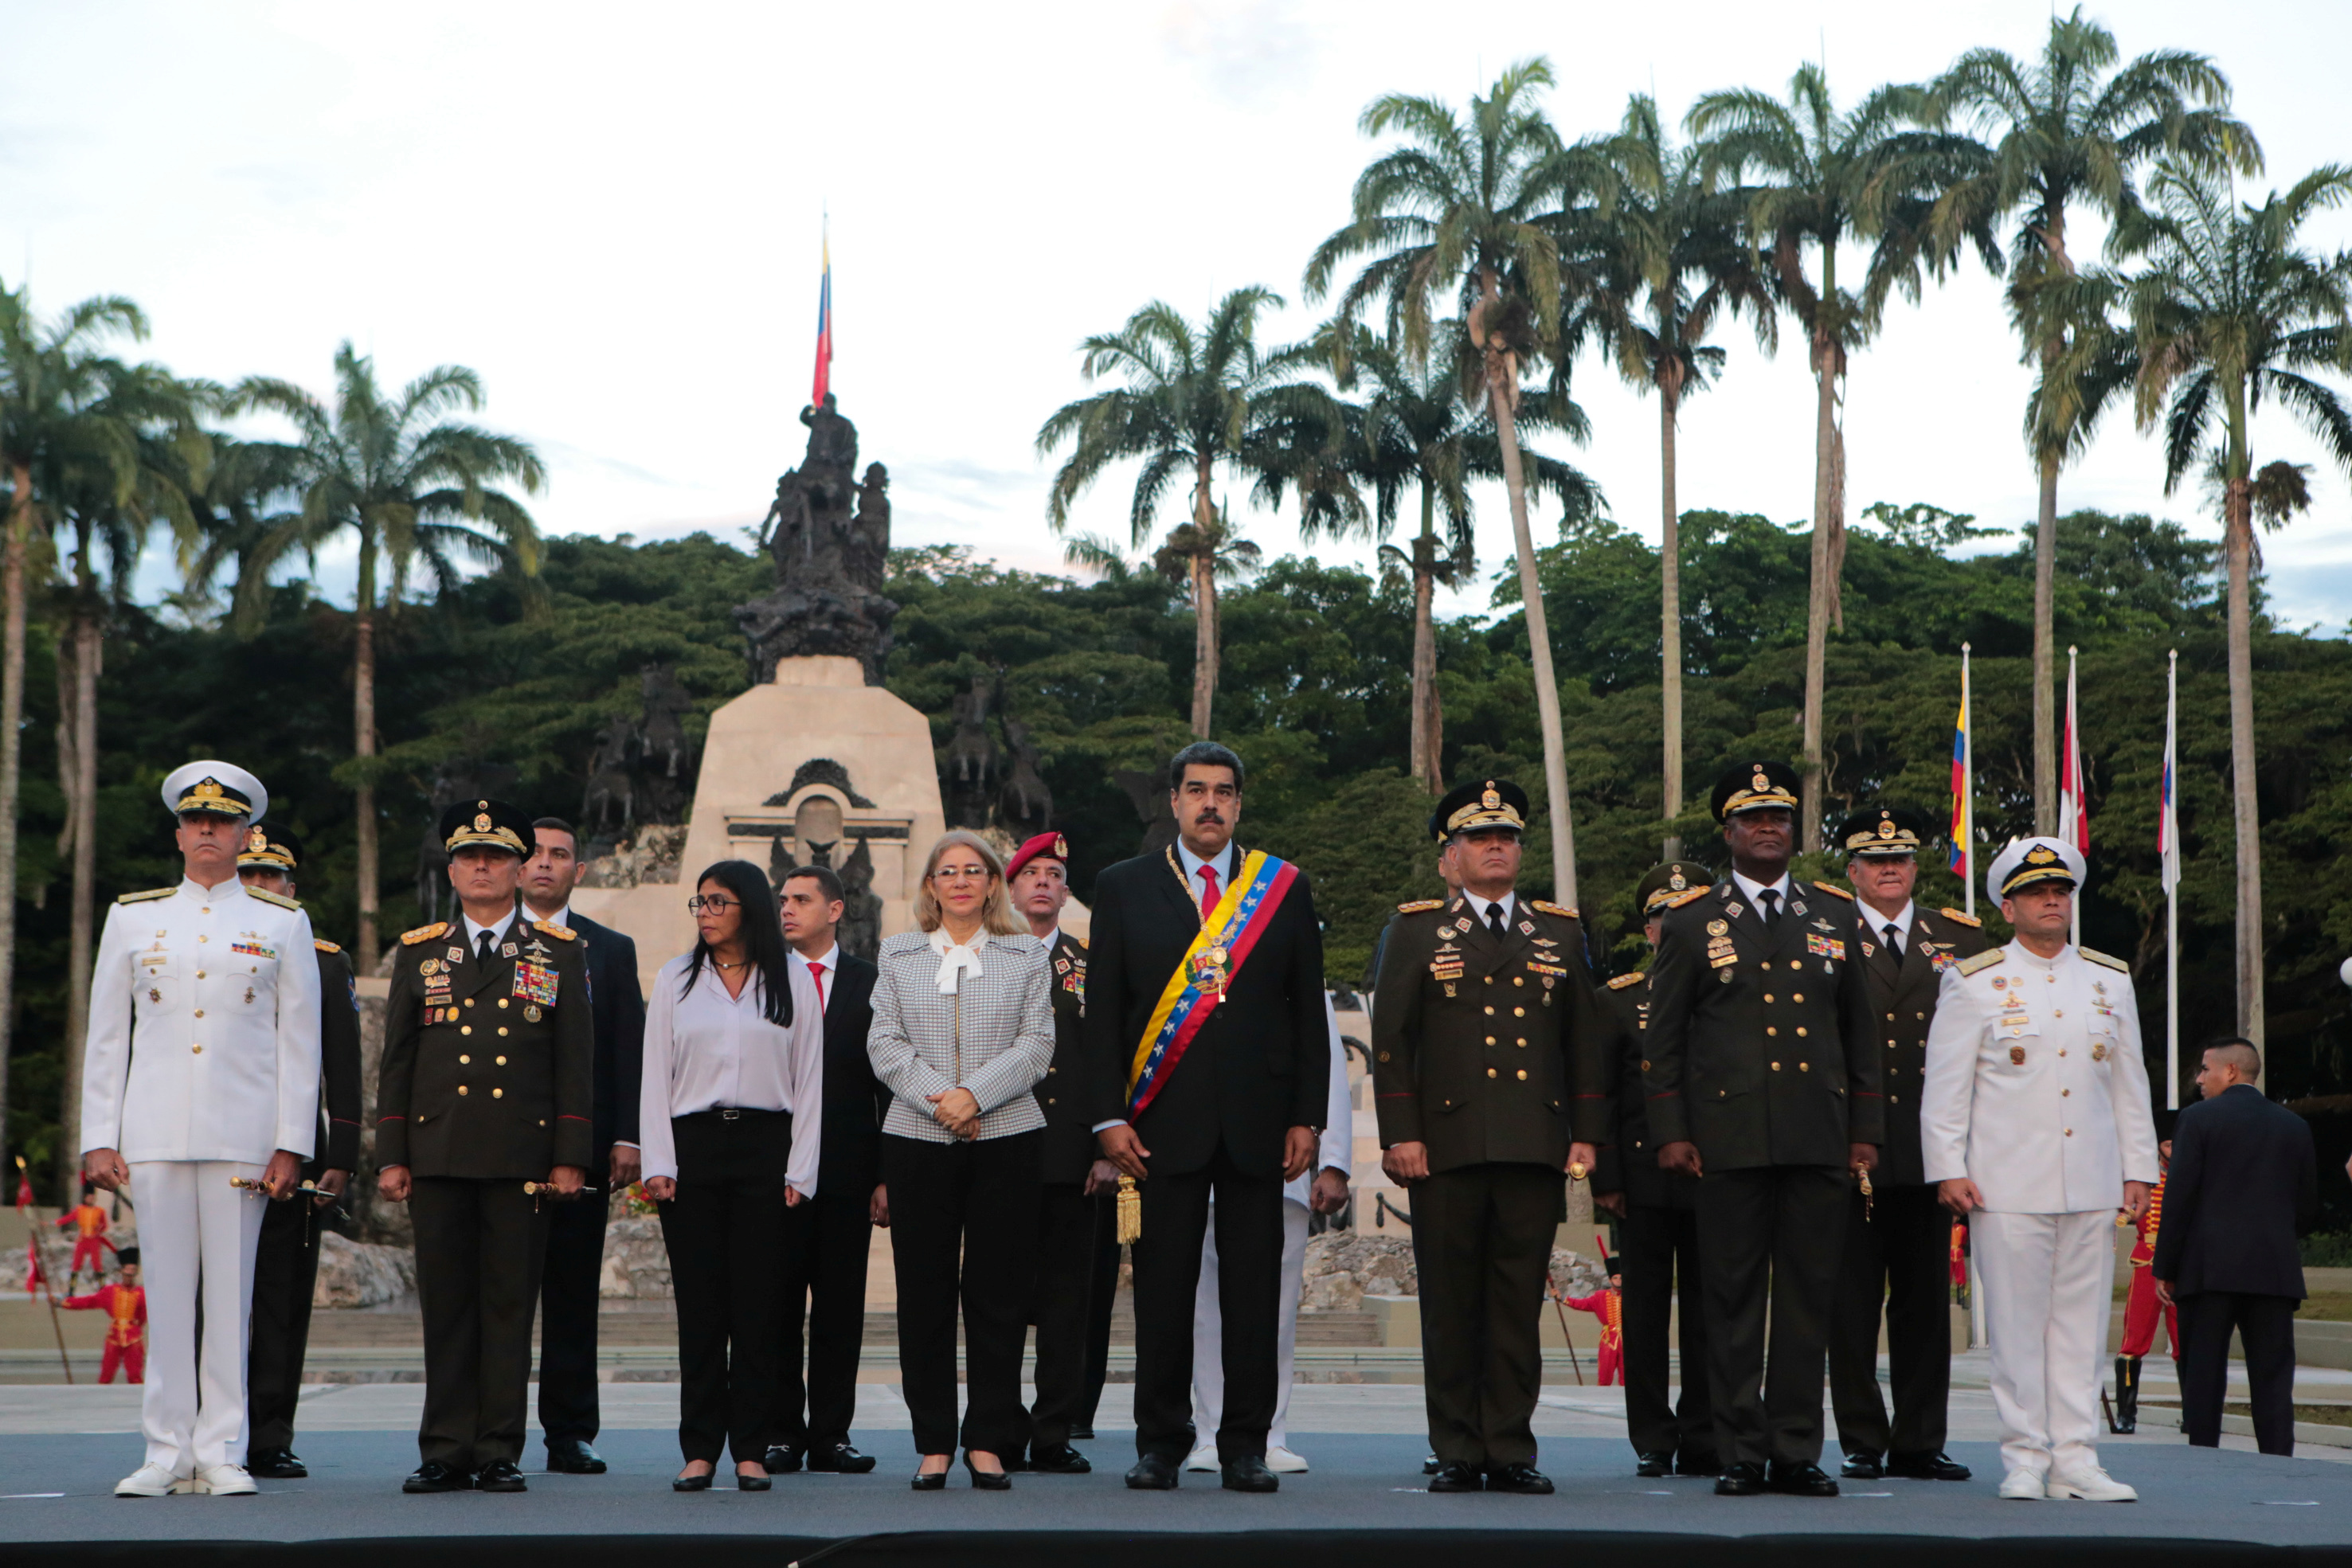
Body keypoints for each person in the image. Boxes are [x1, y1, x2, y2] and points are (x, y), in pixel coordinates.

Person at [1086, 742, 1329, 1494]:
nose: (1210, 804)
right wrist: (1106, 1118)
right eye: (1196, 791)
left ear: (1239, 804)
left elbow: (1305, 1013)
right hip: (1159, 1124)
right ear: (1173, 801)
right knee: (1161, 1288)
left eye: (1224, 792)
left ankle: (1245, 1445)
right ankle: (1160, 1441)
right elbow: (1104, 1019)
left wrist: (1307, 1118)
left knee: (1254, 1292)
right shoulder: (1123, 886)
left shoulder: (1281, 887)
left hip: (1259, 1123)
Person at [81, 761, 322, 1498]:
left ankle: (221, 1446)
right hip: (153, 1130)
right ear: (180, 833)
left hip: (242, 1134)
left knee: (230, 1298)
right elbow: (106, 1035)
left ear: (248, 834)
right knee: (167, 1291)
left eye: (223, 821)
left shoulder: (281, 921)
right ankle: (164, 1448)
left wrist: (291, 1141)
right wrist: (99, 1132)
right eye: (196, 821)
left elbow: (298, 1041)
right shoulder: (133, 916)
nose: (208, 831)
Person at [1642, 761, 1879, 1499]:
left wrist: (1865, 1131)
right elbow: (1665, 1040)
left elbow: (1860, 1032)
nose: (1768, 827)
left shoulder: (1835, 915)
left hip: (1817, 1133)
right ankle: (1741, 1448)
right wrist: (1671, 1130)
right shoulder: (1689, 921)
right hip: (1727, 1138)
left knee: (1809, 1296)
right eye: (1753, 819)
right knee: (1732, 1297)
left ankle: (1796, 1449)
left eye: (1779, 816)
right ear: (1729, 833)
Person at [1372, 776, 1602, 1495]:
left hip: (1533, 1143)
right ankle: (1457, 1447)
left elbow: (1583, 1042)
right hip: (1443, 1145)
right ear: (1450, 858)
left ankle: (1509, 1446)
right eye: (1478, 838)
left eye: (1505, 837)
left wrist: (1584, 1135)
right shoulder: (1414, 929)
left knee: (1514, 1304)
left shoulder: (1559, 930)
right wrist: (1400, 1133)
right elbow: (1391, 1040)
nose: (1495, 847)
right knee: (1449, 1303)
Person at [1923, 836, 2157, 1502]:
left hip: (2090, 1176)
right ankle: (2024, 1455)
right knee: (2018, 1328)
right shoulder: (1972, 981)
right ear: (2007, 906)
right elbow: (1945, 1087)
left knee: (2081, 1329)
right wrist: (1947, 1166)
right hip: (2005, 1180)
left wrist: (2137, 1166)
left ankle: (2077, 1457)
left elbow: (2127, 1080)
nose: (2051, 899)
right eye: (2034, 892)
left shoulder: (2108, 978)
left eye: (2060, 890)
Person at [376, 799, 593, 1495]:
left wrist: (569, 1154)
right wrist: (391, 1153)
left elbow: (573, 1063)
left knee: (508, 1306)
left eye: (496, 856)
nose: (482, 867)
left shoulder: (557, 951)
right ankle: (444, 1446)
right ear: (452, 868)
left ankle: (498, 1445)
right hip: (437, 1152)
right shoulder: (419, 951)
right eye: (470, 857)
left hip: (519, 1158)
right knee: (446, 1305)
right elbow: (398, 1061)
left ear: (519, 868)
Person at [869, 830, 1055, 1490]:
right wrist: (939, 1100)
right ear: (929, 885)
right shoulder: (897, 953)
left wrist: (975, 1094)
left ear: (992, 883)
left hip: (1007, 1134)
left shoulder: (1025, 954)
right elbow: (884, 1043)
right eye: (947, 871)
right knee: (923, 1293)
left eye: (974, 870)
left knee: (998, 1294)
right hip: (918, 1139)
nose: (961, 881)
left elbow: (1037, 1045)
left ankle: (987, 1438)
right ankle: (933, 1442)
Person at [640, 859, 822, 1492]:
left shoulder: (793, 977)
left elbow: (810, 1077)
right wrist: (658, 1162)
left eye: (718, 901)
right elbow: (655, 1076)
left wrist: (801, 1168)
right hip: (693, 1146)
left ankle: (749, 1445)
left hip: (767, 1145)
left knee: (759, 1305)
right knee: (700, 1303)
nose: (706, 913)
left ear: (748, 906)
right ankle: (699, 1447)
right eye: (700, 903)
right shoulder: (676, 978)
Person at [1825, 806, 1985, 1484]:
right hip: (1848, 1148)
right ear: (1853, 871)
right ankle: (1862, 1437)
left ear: (1915, 867)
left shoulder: (1957, 936)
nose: (1889, 868)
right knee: (1850, 1304)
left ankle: (1920, 1439)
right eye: (1874, 859)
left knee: (1923, 1306)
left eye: (1900, 858)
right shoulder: (1824, 932)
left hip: (1930, 1152)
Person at [234, 825, 364, 1481]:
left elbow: (342, 1064)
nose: (259, 887)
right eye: (248, 874)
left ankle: (270, 1434)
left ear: (293, 887)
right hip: (218, 1145)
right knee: (212, 1298)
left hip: (296, 1151)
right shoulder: (206, 946)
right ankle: (209, 1426)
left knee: (283, 1297)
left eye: (271, 877)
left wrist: (341, 1152)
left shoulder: (324, 957)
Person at [518, 817, 645, 1476]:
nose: (545, 864)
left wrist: (628, 1134)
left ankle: (569, 1430)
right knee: (498, 1296)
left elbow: (629, 1046)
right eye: (534, 852)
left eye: (559, 855)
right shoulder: (484, 941)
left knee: (571, 1295)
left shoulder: (609, 949)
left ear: (579, 871)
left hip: (582, 1148)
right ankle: (490, 1431)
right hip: (500, 1149)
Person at [1184, 997, 1352, 1474]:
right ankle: (1209, 1432)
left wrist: (1335, 1162)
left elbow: (1327, 1061)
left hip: (1279, 1162)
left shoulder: (1280, 935)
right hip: (1198, 1153)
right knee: (1204, 1313)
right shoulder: (1187, 943)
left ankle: (1270, 1431)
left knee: (1274, 1312)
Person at [1591, 859, 1716, 1480]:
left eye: (1684, 914)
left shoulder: (1728, 989)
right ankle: (1652, 1436)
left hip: (1717, 1174)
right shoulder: (1617, 1000)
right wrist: (1606, 1178)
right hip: (1639, 1180)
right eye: (1661, 917)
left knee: (1710, 1310)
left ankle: (1703, 1431)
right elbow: (1603, 1094)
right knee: (1641, 1312)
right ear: (1646, 930)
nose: (1672, 925)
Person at [768, 862, 884, 1476]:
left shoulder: (873, 980)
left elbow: (889, 1083)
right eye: (783, 899)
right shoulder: (762, 981)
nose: (786, 908)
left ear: (835, 909)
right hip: (776, 1170)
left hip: (847, 1169)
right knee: (779, 1303)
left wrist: (886, 1173)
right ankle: (782, 1432)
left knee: (840, 1305)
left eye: (802, 899)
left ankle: (831, 1434)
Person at [1005, 831, 1113, 1475]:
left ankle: (1053, 1430)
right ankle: (999, 1424)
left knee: (1068, 1302)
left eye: (1054, 874)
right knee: (1001, 1299)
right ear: (1010, 888)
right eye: (1031, 873)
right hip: (1000, 1148)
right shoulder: (983, 958)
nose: (1043, 882)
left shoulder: (1089, 964)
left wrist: (1105, 1143)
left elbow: (1106, 1061)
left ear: (1066, 892)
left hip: (1072, 1156)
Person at [2154, 1038, 2318, 1457]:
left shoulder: (2198, 1120)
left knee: (2203, 1373)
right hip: (2273, 1270)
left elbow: (2180, 1198)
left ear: (2230, 1072)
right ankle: (2279, 1459)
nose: (2199, 1079)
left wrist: (2166, 1267)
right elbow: (2306, 1205)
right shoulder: (2294, 1125)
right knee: (2273, 1377)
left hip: (2208, 1270)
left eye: (2205, 1069)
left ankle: (2204, 1456)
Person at [2111, 1112, 2178, 1435]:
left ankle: (2194, 1413)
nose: (2173, 1148)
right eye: (2168, 1142)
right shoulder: (2143, 1180)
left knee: (2186, 1342)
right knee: (2133, 1341)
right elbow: (2123, 1216)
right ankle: (2127, 1414)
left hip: (2183, 1263)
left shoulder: (2193, 1174)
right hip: (2148, 1262)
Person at [63, 1247, 147, 1385]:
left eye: (132, 1272)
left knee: (135, 1375)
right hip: (114, 1335)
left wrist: (136, 1326)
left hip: (134, 1336)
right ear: (121, 1272)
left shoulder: (142, 1293)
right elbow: (89, 1301)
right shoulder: (110, 1291)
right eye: (127, 1272)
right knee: (106, 1375)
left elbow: (144, 1316)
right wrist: (65, 1303)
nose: (129, 1275)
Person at [1563, 1273, 1624, 1386]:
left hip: (1627, 1341)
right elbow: (1582, 1304)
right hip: (1608, 1340)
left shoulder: (1633, 1296)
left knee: (1628, 1378)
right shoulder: (1600, 1296)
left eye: (1621, 1278)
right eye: (1615, 1278)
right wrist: (1564, 1299)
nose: (1618, 1280)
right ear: (1610, 1280)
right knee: (1604, 1375)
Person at [56, 1187, 115, 1285]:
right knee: (76, 1264)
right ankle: (71, 1289)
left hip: (94, 1239)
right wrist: (54, 1223)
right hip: (83, 1239)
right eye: (89, 1198)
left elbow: (104, 1225)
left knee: (97, 1264)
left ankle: (102, 1287)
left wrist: (97, 1230)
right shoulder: (80, 1210)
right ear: (85, 1198)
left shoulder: (100, 1211)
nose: (91, 1199)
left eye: (92, 1198)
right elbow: (68, 1218)